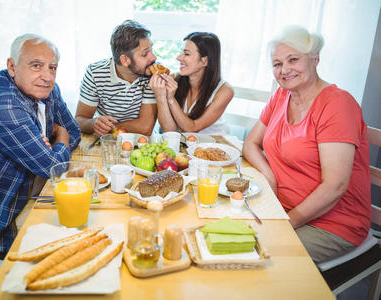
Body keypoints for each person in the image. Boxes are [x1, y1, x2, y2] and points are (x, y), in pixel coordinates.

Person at [242, 26, 371, 263]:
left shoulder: (337, 105)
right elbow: (250, 143)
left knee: (257, 259)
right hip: (280, 206)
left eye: (293, 60)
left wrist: (285, 224)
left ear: (315, 59)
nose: (285, 70)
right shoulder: (281, 96)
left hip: (333, 223)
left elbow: (335, 186)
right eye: (277, 64)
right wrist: (269, 176)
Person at [0, 33, 81, 252]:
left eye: (52, 67)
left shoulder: (47, 89)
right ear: (12, 67)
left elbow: (74, 132)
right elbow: (53, 167)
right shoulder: (3, 105)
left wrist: (55, 142)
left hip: (28, 186)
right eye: (36, 65)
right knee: (73, 237)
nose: (47, 76)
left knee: (85, 208)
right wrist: (61, 137)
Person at [76, 20, 157, 136]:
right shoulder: (95, 73)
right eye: (145, 54)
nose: (154, 57)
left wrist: (109, 128)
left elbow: (145, 128)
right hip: (108, 144)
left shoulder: (151, 75)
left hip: (141, 144)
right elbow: (80, 120)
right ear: (125, 60)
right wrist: (94, 123)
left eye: (152, 50)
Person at [149, 32, 234, 135]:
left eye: (186, 54)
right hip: (184, 146)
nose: (178, 58)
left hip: (214, 145)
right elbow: (169, 131)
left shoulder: (225, 91)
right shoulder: (174, 79)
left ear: (204, 61)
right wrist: (161, 97)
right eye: (181, 52)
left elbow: (192, 128)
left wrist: (171, 99)